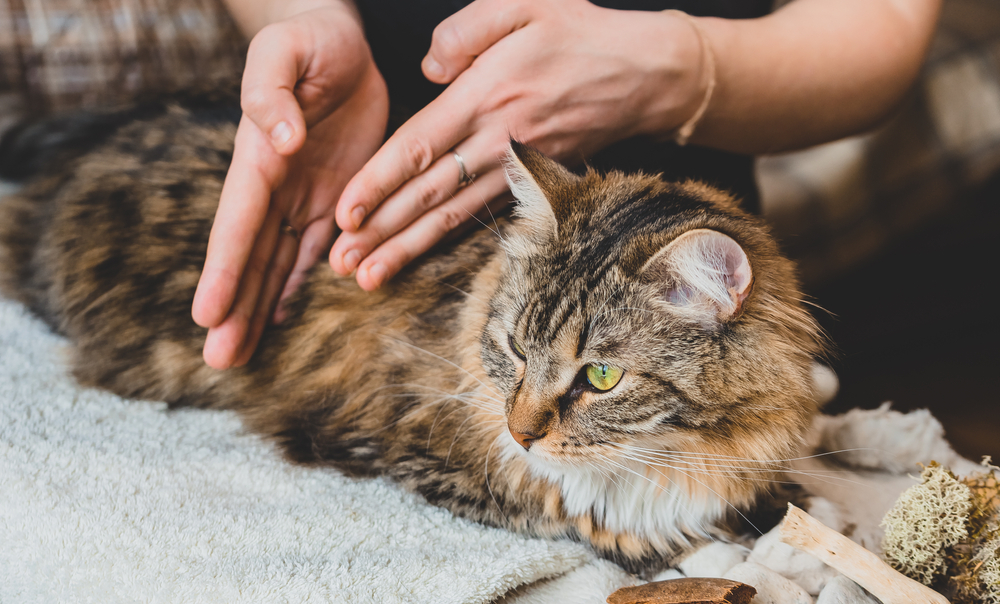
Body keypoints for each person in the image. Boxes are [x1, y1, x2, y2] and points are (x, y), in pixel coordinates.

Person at [190, 0, 941, 369]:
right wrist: (304, 13)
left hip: (667, 304)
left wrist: (671, 73)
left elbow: (885, 25)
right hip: (360, 223)